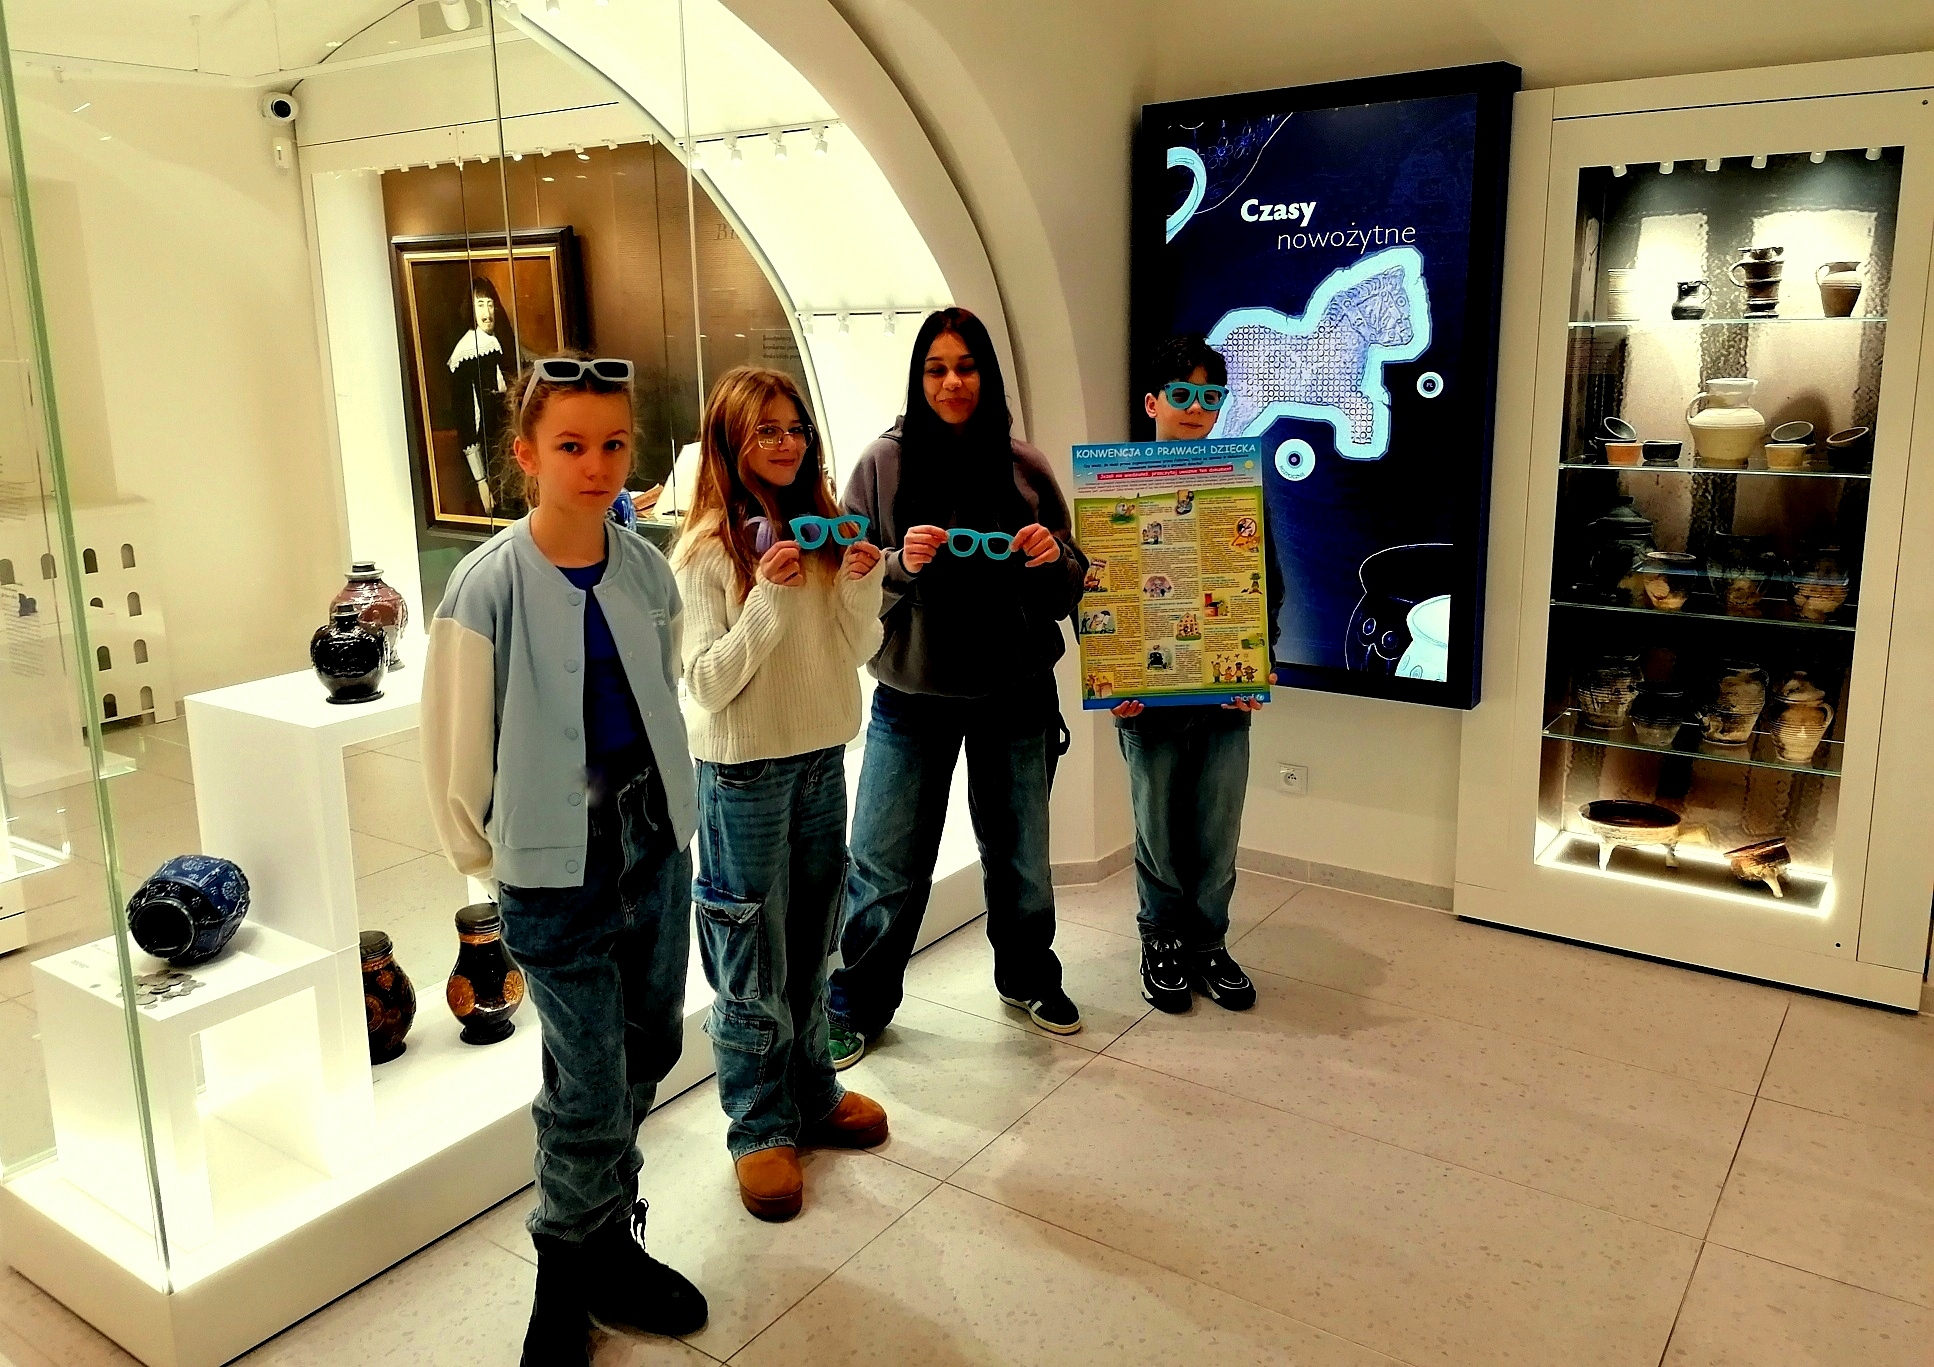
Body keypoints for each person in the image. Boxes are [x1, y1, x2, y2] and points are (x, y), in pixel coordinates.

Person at [422, 353, 706, 1366]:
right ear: (528, 453)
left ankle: (609, 1247)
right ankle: (561, 1273)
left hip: (652, 843)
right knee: (586, 1084)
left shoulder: (645, 569)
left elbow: (662, 688)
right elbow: (457, 744)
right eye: (572, 444)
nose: (596, 465)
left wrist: (670, 821)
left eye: (614, 443)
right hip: (551, 863)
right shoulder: (486, 584)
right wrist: (490, 857)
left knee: (646, 1052)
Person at [828, 307, 1090, 1066]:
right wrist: (899, 563)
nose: (952, 382)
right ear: (918, 378)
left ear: (988, 375)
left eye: (966, 367)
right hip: (910, 696)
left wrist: (1052, 559)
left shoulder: (1023, 466)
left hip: (1015, 692)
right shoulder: (882, 465)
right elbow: (844, 581)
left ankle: (1028, 973)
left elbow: (1069, 587)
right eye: (936, 368)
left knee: (1020, 853)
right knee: (883, 860)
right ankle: (859, 997)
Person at [670, 367, 892, 1221]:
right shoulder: (705, 552)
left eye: (796, 427)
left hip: (820, 759)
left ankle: (813, 1091)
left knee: (812, 941)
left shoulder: (822, 531)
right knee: (750, 954)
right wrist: (767, 595)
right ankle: (759, 1125)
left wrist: (860, 583)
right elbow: (705, 682)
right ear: (731, 441)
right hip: (744, 774)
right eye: (766, 429)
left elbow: (857, 649)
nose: (788, 443)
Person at [1112, 334, 1263, 1014]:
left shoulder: (1236, 482)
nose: (1197, 408)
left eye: (1210, 396)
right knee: (1157, 827)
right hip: (1147, 696)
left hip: (1224, 691)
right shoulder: (1114, 486)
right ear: (1153, 402)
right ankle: (1162, 939)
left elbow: (1266, 580)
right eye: (1183, 394)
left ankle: (1208, 941)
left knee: (1217, 827)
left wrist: (1256, 663)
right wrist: (1114, 677)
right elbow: (1100, 583)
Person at [447, 276, 516, 513]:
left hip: (511, 447)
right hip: (489, 455)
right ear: (472, 310)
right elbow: (467, 419)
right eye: (480, 305)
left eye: (489, 304)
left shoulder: (500, 340)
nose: (487, 313)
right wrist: (481, 481)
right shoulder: (464, 355)